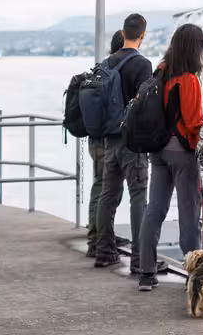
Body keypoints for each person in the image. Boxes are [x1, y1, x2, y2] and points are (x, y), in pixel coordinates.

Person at [138, 24, 203, 291]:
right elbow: (192, 121)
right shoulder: (187, 79)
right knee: (189, 213)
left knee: (155, 208)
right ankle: (195, 275)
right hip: (182, 152)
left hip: (158, 150)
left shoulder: (161, 70)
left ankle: (146, 271)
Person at [94, 14, 153, 273]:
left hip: (110, 140)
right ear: (142, 35)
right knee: (138, 197)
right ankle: (140, 261)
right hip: (133, 142)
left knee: (108, 195)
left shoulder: (108, 62)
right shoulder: (143, 64)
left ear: (124, 33)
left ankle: (104, 251)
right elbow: (147, 106)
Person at [86, 30, 126, 258]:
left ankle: (102, 234)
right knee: (106, 191)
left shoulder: (101, 68)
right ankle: (98, 240)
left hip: (95, 138)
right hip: (107, 140)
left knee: (102, 189)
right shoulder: (117, 71)